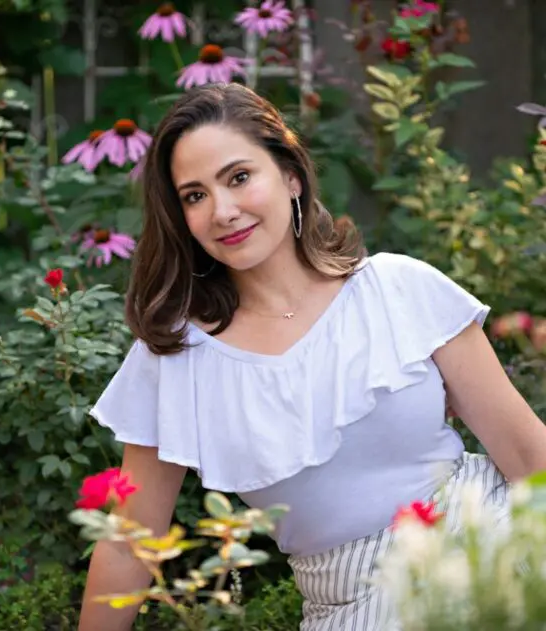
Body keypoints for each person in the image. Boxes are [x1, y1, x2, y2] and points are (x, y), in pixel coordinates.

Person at [78, 83, 546, 630]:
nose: (223, 210)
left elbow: (525, 451)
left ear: (291, 177)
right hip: (353, 603)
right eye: (195, 195)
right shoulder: (177, 357)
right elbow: (130, 546)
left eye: (239, 177)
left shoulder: (400, 289)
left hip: (493, 543)